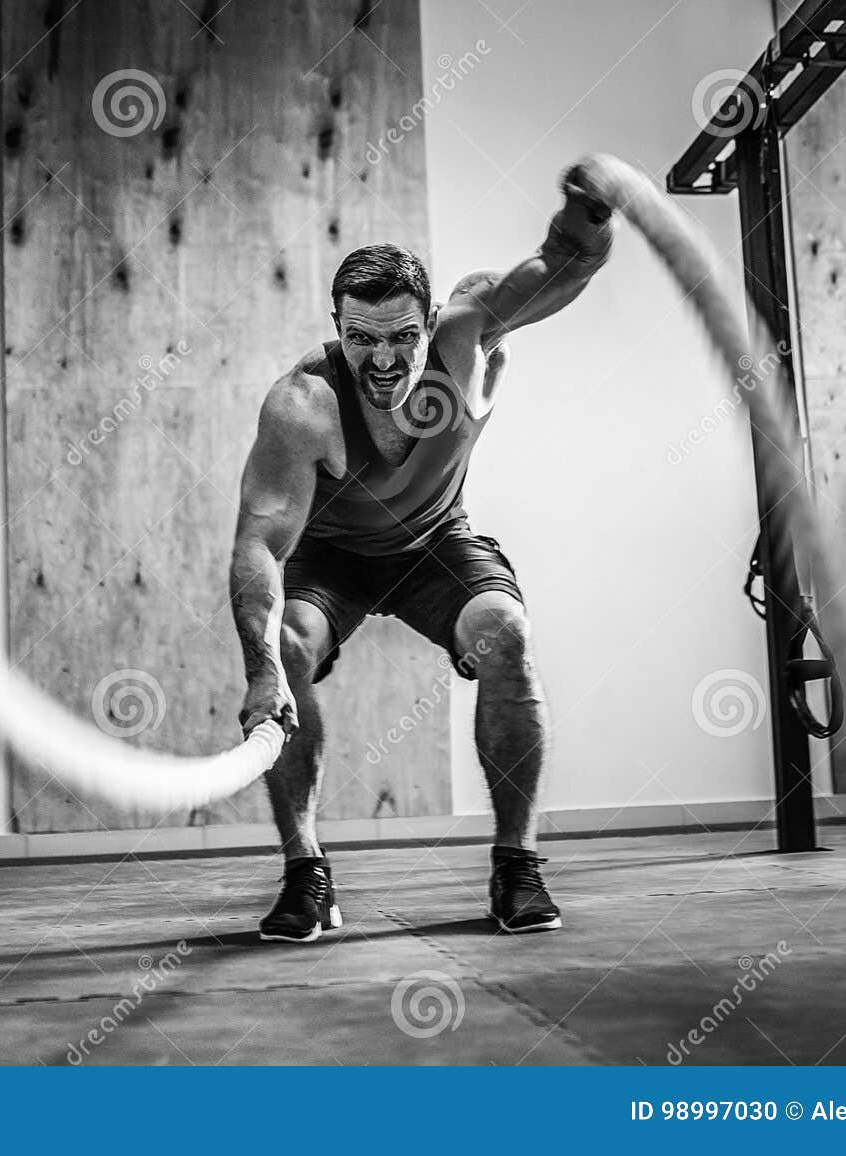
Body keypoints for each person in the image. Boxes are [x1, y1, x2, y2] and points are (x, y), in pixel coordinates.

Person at [227, 166, 614, 942]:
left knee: (508, 633)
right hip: (332, 558)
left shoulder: (470, 332)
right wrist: (263, 667)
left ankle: (517, 867)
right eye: (360, 339)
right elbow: (260, 546)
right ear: (336, 326)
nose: (382, 361)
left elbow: (565, 266)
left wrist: (592, 214)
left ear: (431, 320)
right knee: (290, 646)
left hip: (437, 541)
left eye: (403, 337)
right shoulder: (303, 404)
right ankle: (307, 875)